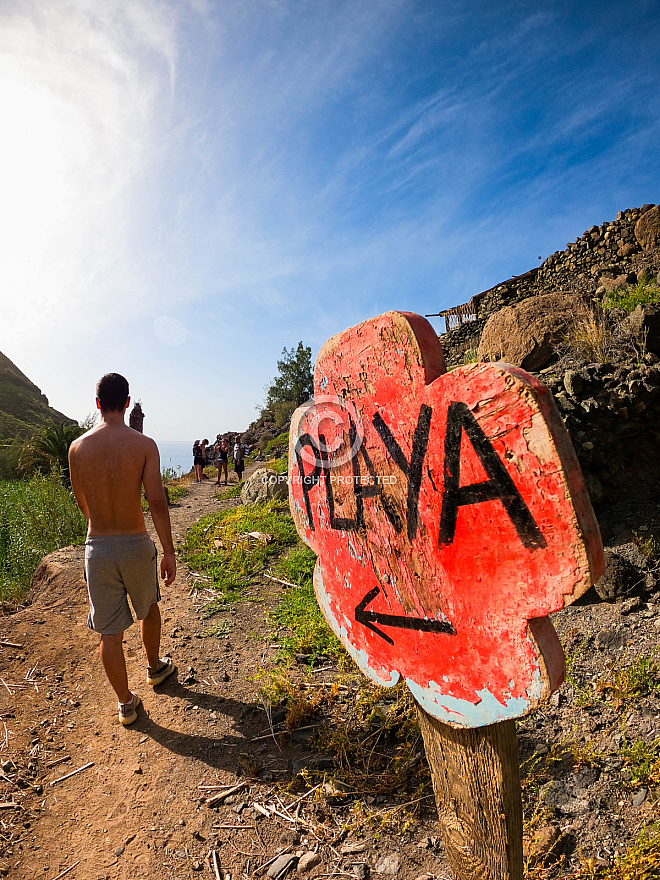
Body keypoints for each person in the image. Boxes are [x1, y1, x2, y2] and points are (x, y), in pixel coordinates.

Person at [68, 373, 177, 726]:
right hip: (135, 542)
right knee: (149, 607)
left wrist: (100, 527)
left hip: (96, 548)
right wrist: (169, 551)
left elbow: (82, 502)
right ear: (127, 403)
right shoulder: (144, 446)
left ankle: (126, 703)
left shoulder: (77, 448)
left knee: (108, 633)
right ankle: (154, 667)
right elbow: (157, 502)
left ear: (97, 404)